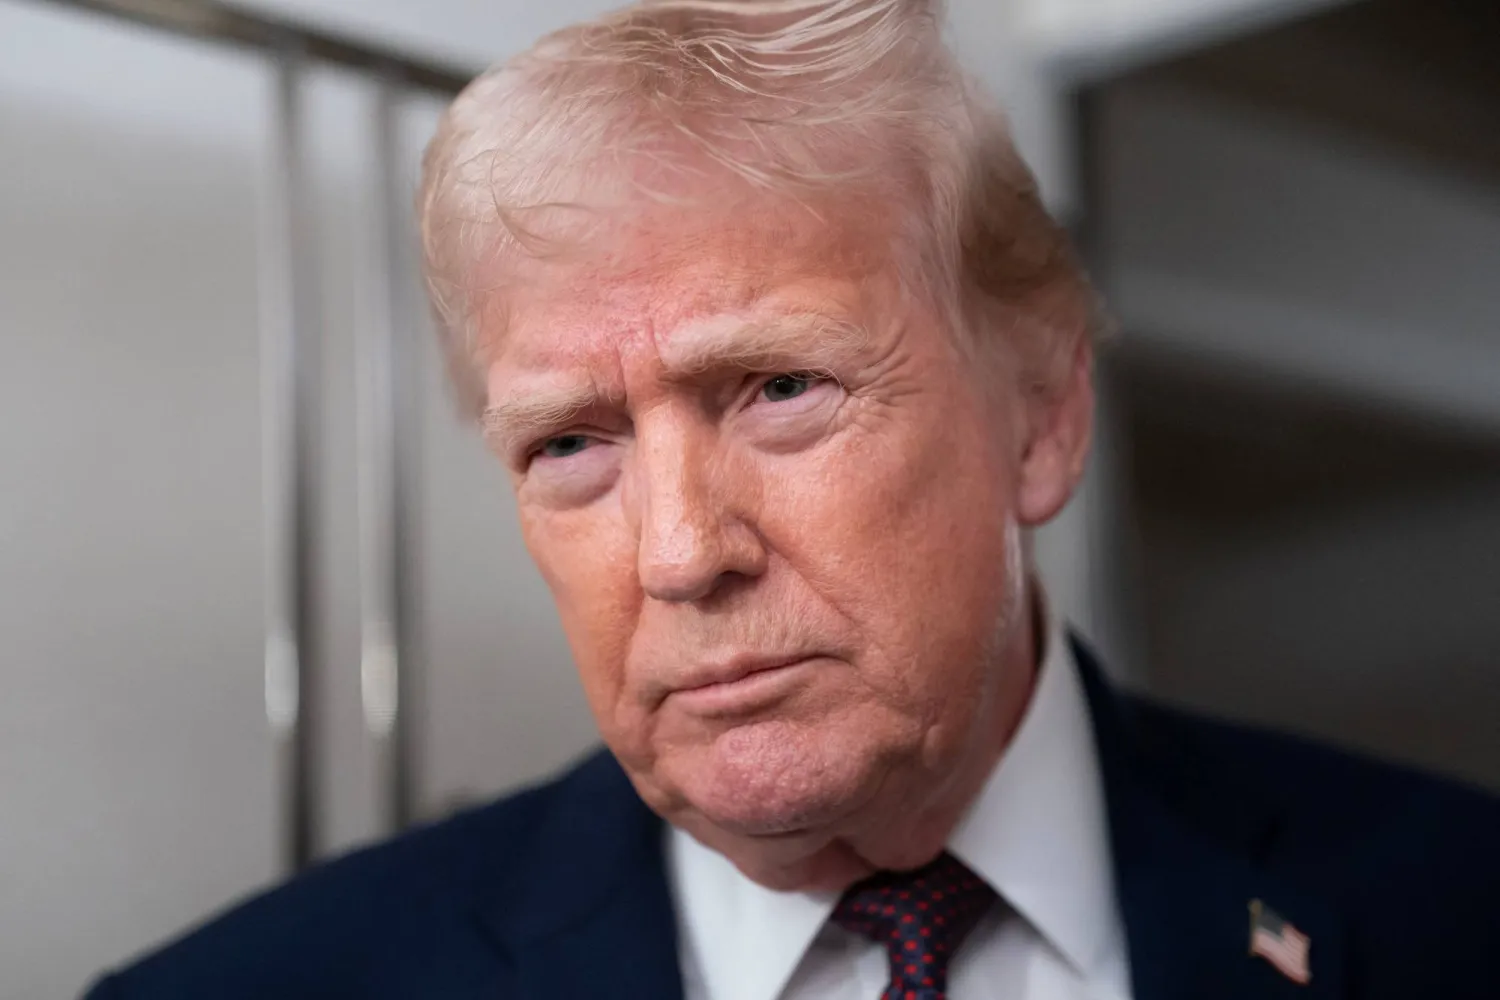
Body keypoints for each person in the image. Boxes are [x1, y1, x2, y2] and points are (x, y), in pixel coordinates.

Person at [84, 1, 1500, 998]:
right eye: (572, 445)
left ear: (1043, 416)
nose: (684, 555)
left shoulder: (1459, 912)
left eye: (778, 390)